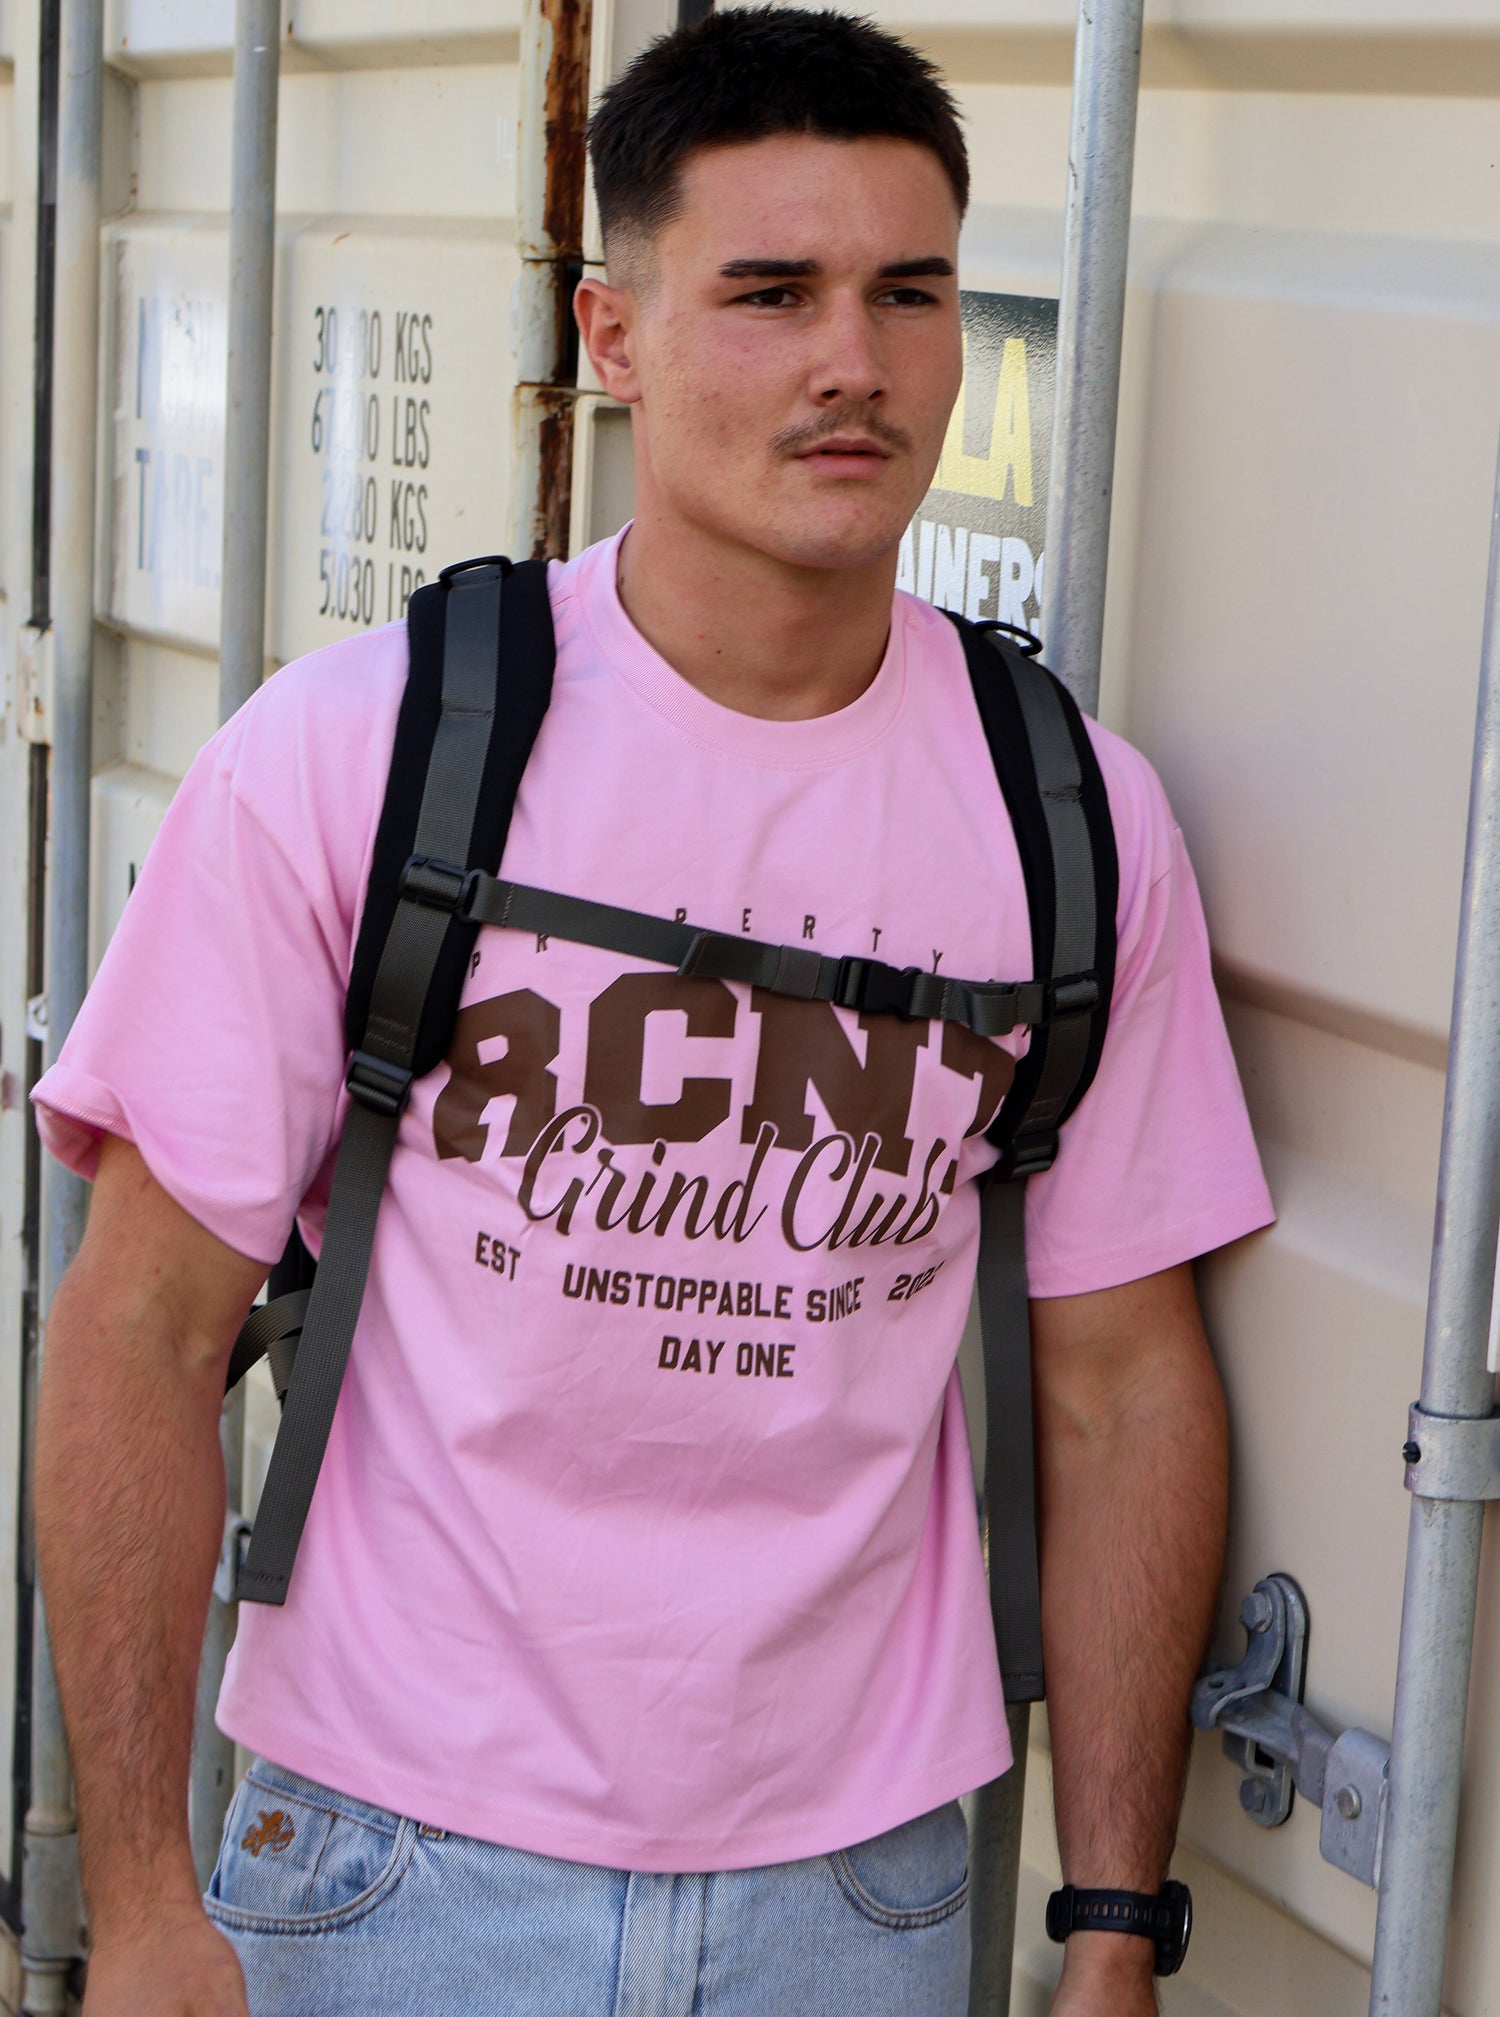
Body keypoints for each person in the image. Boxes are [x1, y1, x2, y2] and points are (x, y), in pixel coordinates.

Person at [32, 9, 1273, 2014]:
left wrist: (1115, 1916)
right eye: (768, 293)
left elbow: (1123, 1386)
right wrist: (148, 1900)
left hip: (861, 1891)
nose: (852, 361)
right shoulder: (364, 755)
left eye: (909, 293)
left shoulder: (1070, 816)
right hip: (390, 1850)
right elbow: (142, 1330)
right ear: (611, 334)